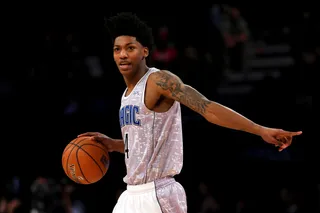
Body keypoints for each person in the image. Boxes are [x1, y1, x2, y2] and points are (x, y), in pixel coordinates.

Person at [78, 12, 302, 213]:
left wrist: (259, 129)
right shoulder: (126, 94)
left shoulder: (159, 81)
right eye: (118, 49)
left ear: (144, 51)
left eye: (130, 48)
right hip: (131, 194)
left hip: (157, 193)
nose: (123, 55)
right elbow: (144, 143)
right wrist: (113, 145)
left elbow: (207, 107)